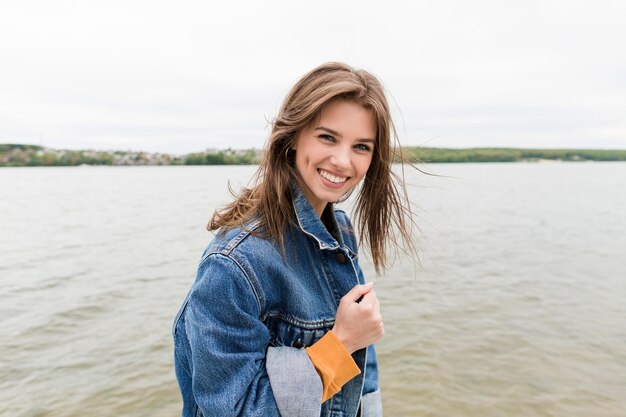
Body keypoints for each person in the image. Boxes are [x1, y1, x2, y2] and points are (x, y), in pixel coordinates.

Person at [172, 62, 416, 417]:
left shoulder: (340, 232)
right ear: (292, 135)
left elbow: (363, 374)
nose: (343, 161)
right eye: (327, 137)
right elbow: (234, 410)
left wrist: (354, 344)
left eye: (361, 146)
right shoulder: (234, 265)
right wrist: (342, 343)